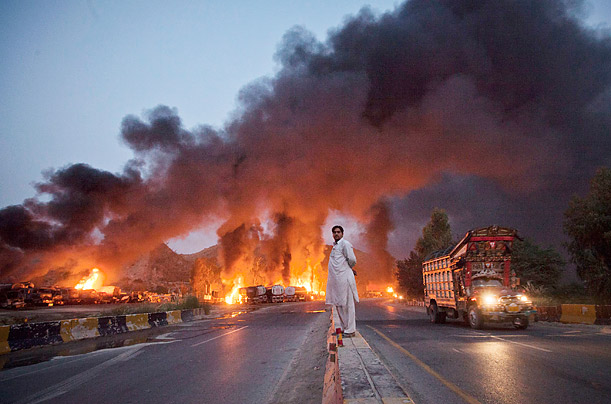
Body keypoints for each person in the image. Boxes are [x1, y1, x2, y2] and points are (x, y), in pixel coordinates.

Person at [325, 225, 359, 337]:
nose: (336, 234)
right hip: (337, 282)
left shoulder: (345, 244)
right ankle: (345, 329)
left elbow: (352, 259)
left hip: (345, 279)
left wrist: (349, 269)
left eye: (338, 232)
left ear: (342, 234)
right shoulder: (335, 247)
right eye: (334, 232)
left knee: (348, 306)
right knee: (339, 305)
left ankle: (351, 330)